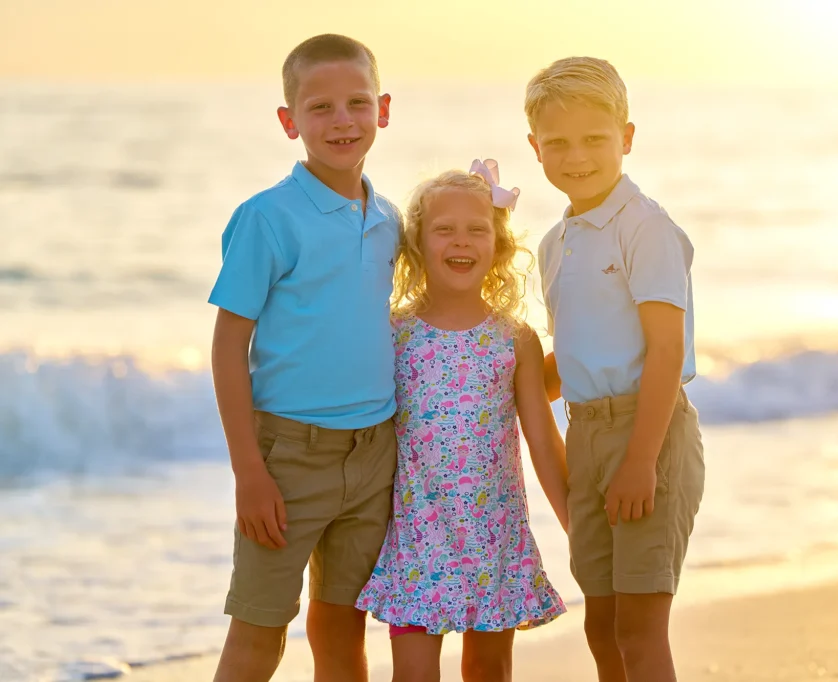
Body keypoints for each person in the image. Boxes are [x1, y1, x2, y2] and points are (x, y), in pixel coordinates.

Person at [207, 33, 401, 682]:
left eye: (357, 103)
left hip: (376, 454)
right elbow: (229, 346)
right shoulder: (268, 218)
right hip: (287, 460)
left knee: (343, 630)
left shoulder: (391, 220)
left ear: (384, 110)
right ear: (290, 122)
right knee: (260, 632)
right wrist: (249, 474)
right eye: (320, 108)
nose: (342, 120)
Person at [525, 56, 706, 682]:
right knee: (601, 626)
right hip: (587, 438)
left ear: (626, 137)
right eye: (558, 143)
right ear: (535, 149)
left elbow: (666, 351)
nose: (577, 156)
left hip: (647, 431)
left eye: (595, 139)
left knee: (638, 627)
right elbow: (575, 351)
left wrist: (639, 460)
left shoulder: (645, 228)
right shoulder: (555, 243)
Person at [356, 160, 568, 682]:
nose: (462, 241)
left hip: (493, 537)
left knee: (489, 669)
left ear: (497, 244)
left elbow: (542, 440)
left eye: (477, 229)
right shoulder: (394, 333)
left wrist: (575, 524)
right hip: (415, 537)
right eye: (444, 229)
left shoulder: (514, 339)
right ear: (416, 244)